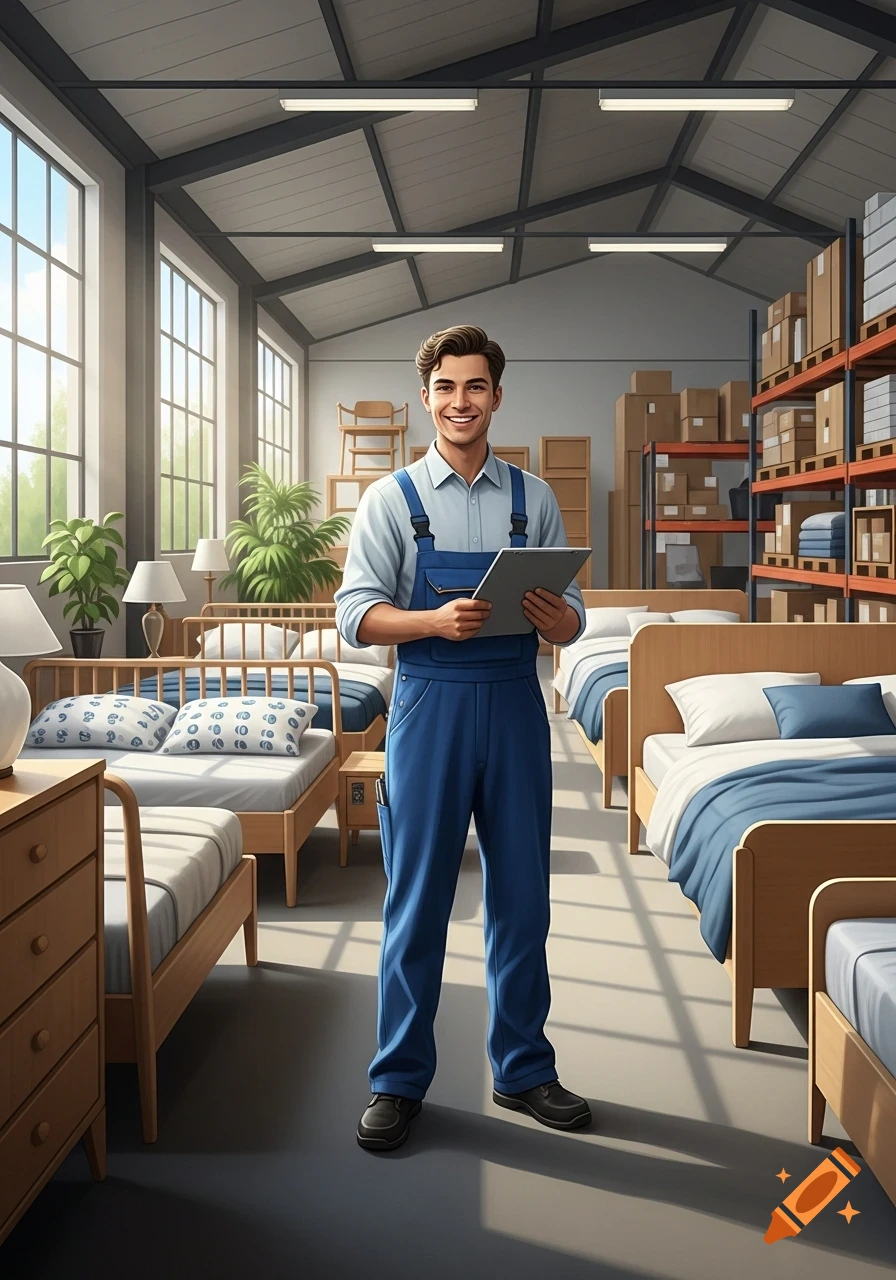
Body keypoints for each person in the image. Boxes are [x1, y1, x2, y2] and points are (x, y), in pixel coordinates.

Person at [335, 324, 592, 1151]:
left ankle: (523, 1069)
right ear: (427, 397)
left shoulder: (536, 499)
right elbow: (354, 618)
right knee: (417, 903)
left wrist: (565, 620)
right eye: (446, 388)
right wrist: (432, 621)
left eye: (475, 387)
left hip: (516, 705)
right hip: (430, 708)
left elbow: (574, 617)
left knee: (523, 900)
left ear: (496, 396)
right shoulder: (390, 501)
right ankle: (397, 1080)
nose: (460, 402)